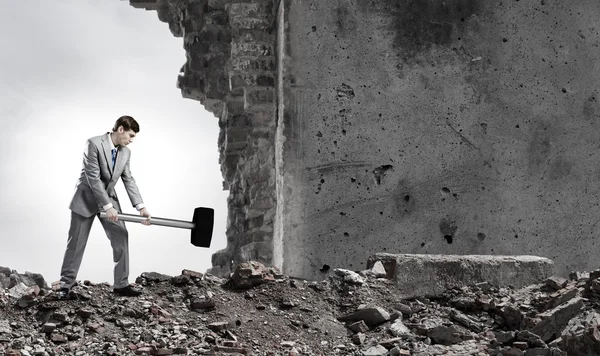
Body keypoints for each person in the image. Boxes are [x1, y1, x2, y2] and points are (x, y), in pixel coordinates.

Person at [57, 116, 151, 298]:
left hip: (109, 198)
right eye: (130, 136)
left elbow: (128, 179)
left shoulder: (126, 152)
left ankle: (121, 285)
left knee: (121, 235)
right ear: (121, 129)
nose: (131, 141)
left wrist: (141, 207)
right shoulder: (93, 143)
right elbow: (93, 177)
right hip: (86, 198)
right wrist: (107, 207)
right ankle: (64, 286)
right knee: (76, 243)